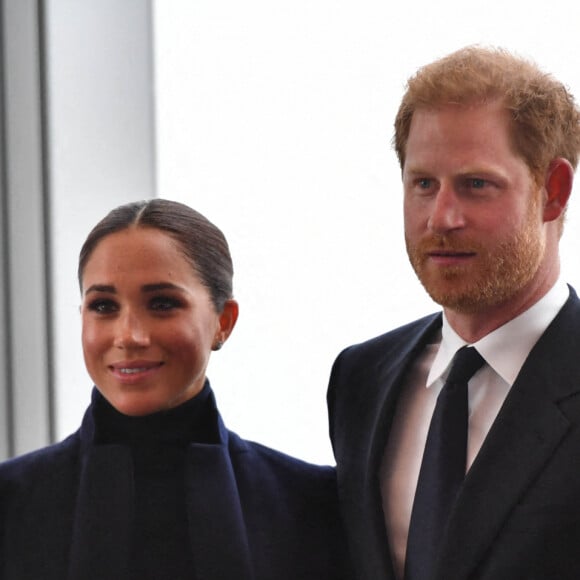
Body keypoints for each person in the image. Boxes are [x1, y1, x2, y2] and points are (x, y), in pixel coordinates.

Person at [327, 45, 580, 580]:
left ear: (553, 193)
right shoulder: (360, 378)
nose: (441, 217)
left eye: (476, 185)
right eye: (424, 184)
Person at [0, 198, 351, 580]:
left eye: (162, 303)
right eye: (103, 306)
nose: (129, 335)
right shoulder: (10, 501)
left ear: (224, 321)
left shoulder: (313, 505)